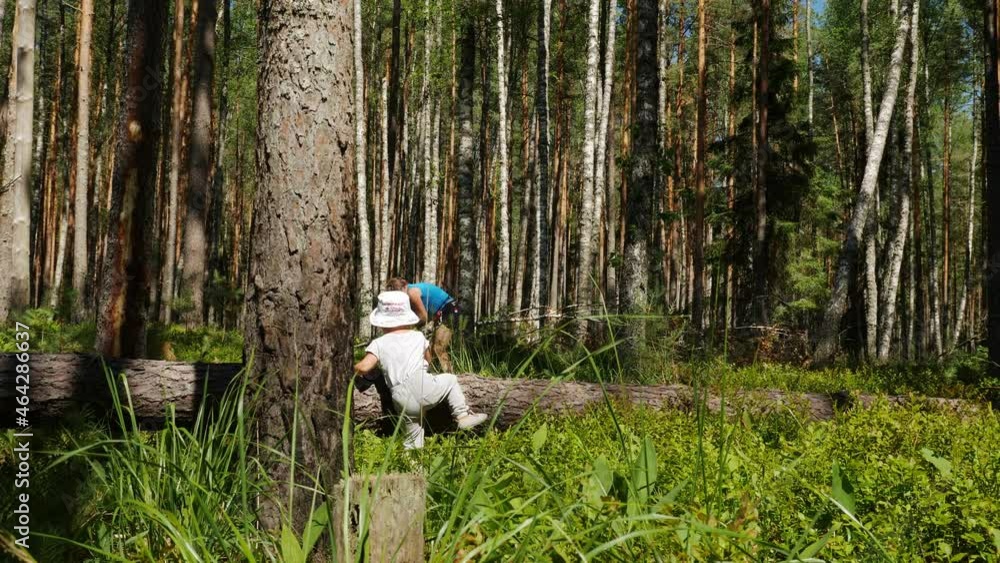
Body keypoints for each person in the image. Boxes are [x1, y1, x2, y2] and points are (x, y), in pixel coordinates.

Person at [353, 290, 487, 449]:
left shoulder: (379, 343)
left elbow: (364, 367)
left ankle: (413, 468)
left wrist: (351, 367)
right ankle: (462, 415)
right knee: (450, 380)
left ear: (381, 322)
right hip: (423, 385)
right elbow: (428, 360)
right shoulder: (417, 337)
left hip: (400, 397)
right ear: (407, 318)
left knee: (412, 440)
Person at [386, 277, 460, 371]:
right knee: (430, 349)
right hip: (442, 312)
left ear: (404, 287)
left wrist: (408, 327)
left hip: (449, 310)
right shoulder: (408, 291)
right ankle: (432, 374)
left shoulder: (412, 293)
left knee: (438, 348)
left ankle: (450, 376)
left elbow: (423, 317)